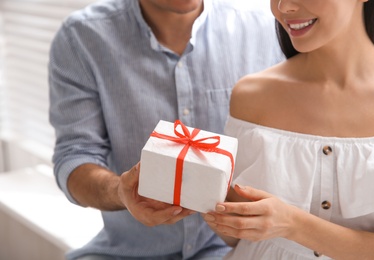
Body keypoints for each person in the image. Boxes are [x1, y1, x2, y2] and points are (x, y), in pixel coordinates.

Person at [48, 0, 283, 259]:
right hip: (128, 252)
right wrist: (120, 191)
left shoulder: (267, 29)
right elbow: (74, 155)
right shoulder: (81, 37)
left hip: (233, 250)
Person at [203, 0, 374, 259]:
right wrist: (203, 193)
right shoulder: (250, 96)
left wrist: (293, 224)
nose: (284, 7)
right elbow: (235, 238)